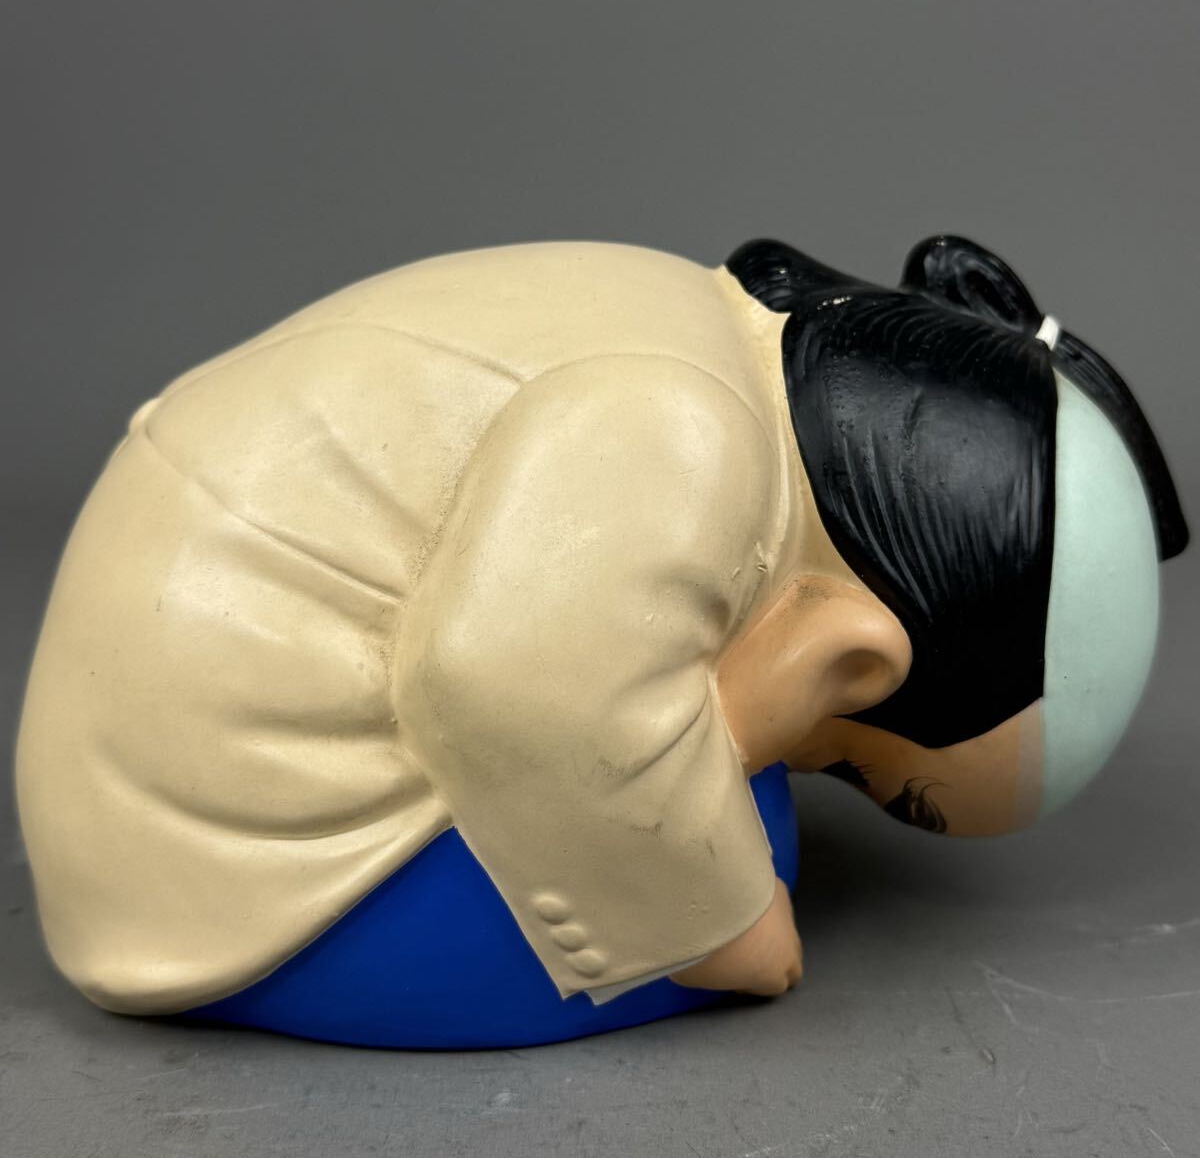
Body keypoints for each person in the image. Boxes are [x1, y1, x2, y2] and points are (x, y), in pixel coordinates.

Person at [16, 235, 1187, 1048]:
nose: (828, 767)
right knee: (744, 845)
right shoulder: (683, 438)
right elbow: (518, 693)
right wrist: (729, 925)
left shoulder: (711, 326)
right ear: (851, 663)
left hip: (160, 687)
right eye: (867, 767)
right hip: (200, 836)